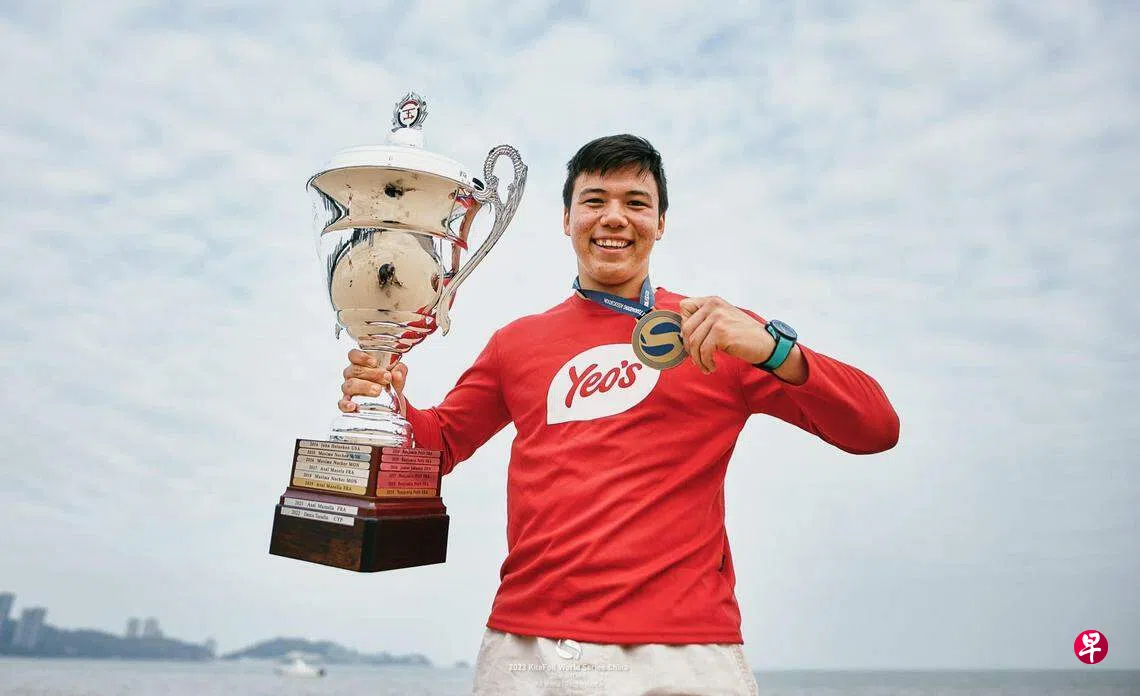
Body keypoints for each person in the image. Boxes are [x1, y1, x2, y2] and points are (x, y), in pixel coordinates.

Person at [338, 135, 900, 695]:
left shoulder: (718, 331)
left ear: (661, 223)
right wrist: (386, 400)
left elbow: (876, 428)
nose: (614, 217)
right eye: (594, 200)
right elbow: (436, 450)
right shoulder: (516, 343)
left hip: (686, 655)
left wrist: (775, 349)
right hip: (529, 650)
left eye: (636, 202)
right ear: (566, 219)